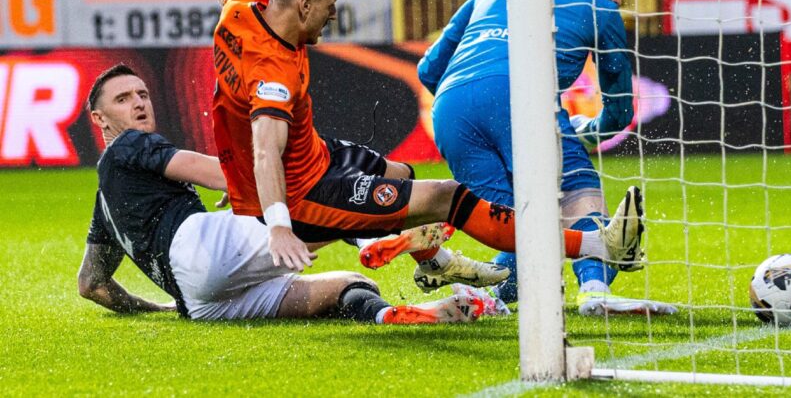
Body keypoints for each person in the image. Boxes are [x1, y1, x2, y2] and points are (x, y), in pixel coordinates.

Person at [210, 0, 643, 289]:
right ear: (304, 5)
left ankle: (435, 260)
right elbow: (266, 149)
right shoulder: (274, 72)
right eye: (330, 4)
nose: (333, 15)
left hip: (327, 154)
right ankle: (594, 247)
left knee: (402, 176)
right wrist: (279, 224)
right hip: (303, 192)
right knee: (448, 198)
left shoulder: (244, 4)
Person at [77, 63, 489, 323]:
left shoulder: (105, 200)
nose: (139, 103)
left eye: (143, 94)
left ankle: (392, 316)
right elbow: (215, 174)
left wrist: (159, 308)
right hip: (200, 246)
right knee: (315, 180)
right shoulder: (127, 145)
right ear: (99, 118)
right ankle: (380, 234)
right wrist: (249, 180)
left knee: (349, 285)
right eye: (123, 98)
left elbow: (92, 284)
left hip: (200, 302)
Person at [418, 0, 676, 316]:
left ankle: (479, 301)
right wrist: (587, 132)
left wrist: (475, 100)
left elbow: (428, 69)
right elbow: (621, 112)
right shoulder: (599, 6)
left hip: (451, 109)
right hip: (524, 95)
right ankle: (594, 288)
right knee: (577, 191)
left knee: (513, 226)